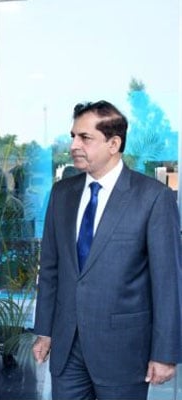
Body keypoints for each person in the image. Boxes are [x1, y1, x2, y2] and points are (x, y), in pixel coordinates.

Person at [32, 100, 182, 400]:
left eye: (85, 138)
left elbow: (167, 282)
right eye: (73, 135)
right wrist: (44, 330)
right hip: (67, 348)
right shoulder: (62, 194)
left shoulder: (154, 198)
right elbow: (50, 268)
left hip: (123, 351)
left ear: (114, 143)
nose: (74, 144)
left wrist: (165, 353)